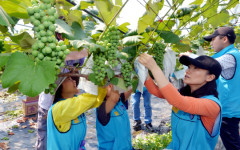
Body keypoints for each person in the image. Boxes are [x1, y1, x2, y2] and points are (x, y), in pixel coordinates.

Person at [139, 53, 222, 150]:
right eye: (189, 67)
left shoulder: (212, 104)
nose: (188, 71)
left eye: (196, 69)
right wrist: (143, 70)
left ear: (210, 77)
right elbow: (156, 91)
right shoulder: (184, 94)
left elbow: (178, 101)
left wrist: (154, 67)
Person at [46, 67, 119, 149]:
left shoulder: (74, 102)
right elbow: (91, 98)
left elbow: (97, 100)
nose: (74, 81)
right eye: (69, 79)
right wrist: (94, 79)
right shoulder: (58, 109)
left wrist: (102, 82)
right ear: (59, 88)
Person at [35, 54, 86, 150]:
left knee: (67, 141)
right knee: (45, 143)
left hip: (67, 100)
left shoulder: (74, 42)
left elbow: (80, 59)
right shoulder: (48, 43)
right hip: (48, 104)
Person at [203, 27, 240, 150]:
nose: (211, 43)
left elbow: (209, 64)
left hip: (229, 112)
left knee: (233, 146)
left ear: (224, 39)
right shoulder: (231, 54)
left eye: (213, 39)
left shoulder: (231, 56)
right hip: (227, 109)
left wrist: (189, 57)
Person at [96, 85, 133, 150]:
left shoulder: (120, 100)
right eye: (108, 83)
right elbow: (114, 98)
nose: (111, 85)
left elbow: (131, 86)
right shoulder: (101, 107)